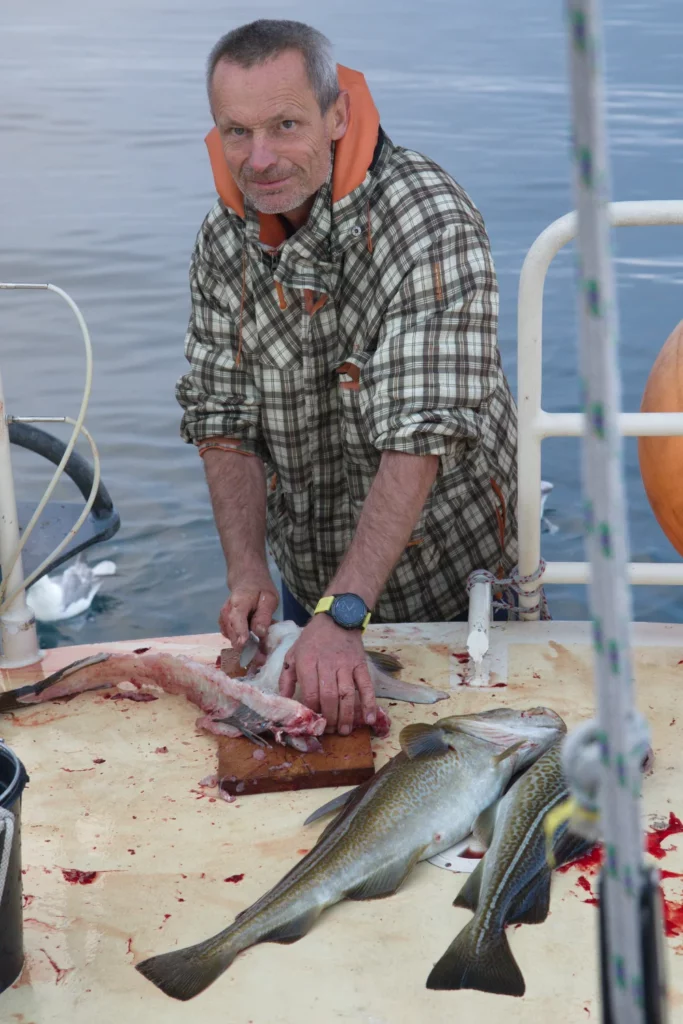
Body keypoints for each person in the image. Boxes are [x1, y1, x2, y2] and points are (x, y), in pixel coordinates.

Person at [176, 19, 518, 736]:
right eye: (236, 132)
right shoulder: (221, 242)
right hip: (311, 590)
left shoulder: (426, 218)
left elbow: (419, 436)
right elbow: (220, 417)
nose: (259, 158)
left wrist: (346, 612)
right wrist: (247, 574)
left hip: (457, 598)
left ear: (337, 114)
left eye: (286, 124)